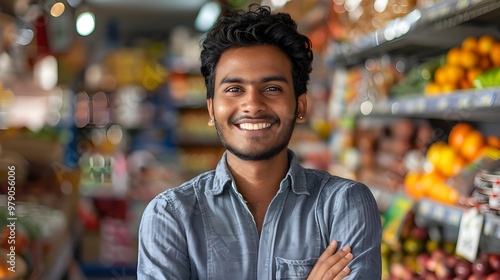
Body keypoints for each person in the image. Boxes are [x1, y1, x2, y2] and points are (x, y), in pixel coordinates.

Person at [138, 4, 381, 279]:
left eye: (272, 88)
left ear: (301, 106)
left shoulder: (343, 205)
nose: (252, 104)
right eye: (234, 89)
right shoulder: (170, 217)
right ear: (211, 109)